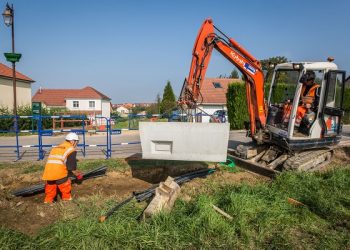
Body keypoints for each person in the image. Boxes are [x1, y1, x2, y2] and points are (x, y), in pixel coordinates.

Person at [42, 132, 83, 203]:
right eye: (77, 142)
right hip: (59, 172)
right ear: (72, 141)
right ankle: (67, 201)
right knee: (65, 186)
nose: (77, 144)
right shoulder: (71, 149)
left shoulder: (57, 147)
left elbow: (57, 160)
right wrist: (77, 174)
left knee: (50, 188)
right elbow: (71, 167)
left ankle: (48, 202)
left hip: (48, 172)